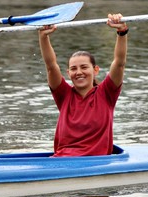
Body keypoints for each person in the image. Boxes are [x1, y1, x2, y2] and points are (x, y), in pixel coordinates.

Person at [38, 13, 127, 157]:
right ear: (68, 73)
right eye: (73, 69)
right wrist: (43, 37)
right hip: (62, 161)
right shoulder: (63, 94)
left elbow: (119, 63)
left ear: (95, 70)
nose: (79, 72)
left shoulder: (107, 93)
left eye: (84, 67)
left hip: (96, 163)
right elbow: (51, 66)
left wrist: (121, 32)